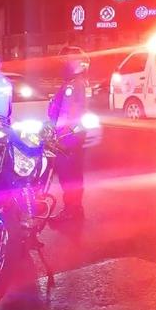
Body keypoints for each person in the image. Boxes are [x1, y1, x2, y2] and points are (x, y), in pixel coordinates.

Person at [48, 50, 91, 222]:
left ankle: (70, 211)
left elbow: (66, 113)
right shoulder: (82, 83)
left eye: (66, 61)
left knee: (68, 176)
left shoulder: (73, 85)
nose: (63, 64)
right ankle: (76, 210)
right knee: (76, 174)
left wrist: (57, 135)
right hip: (76, 135)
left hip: (67, 137)